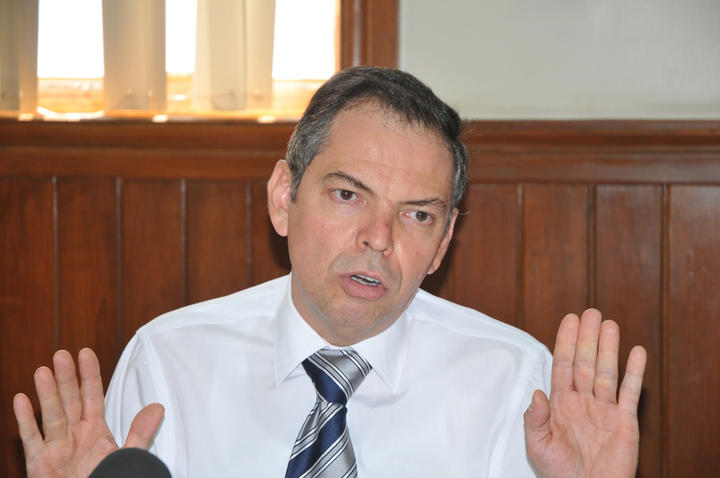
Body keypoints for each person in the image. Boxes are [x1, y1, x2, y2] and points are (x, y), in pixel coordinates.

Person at [13, 66, 647, 477]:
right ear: (283, 197)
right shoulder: (168, 363)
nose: (378, 238)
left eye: (418, 215)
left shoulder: (518, 383)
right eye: (348, 195)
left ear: (443, 242)